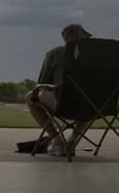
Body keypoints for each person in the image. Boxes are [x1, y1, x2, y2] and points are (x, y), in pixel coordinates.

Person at [24, 23, 93, 156]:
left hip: (64, 104)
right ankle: (73, 140)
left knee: (30, 96)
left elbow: (42, 84)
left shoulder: (55, 53)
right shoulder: (98, 57)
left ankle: (57, 140)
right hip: (97, 105)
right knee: (89, 101)